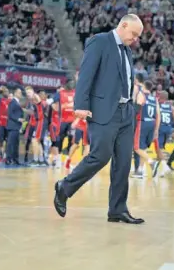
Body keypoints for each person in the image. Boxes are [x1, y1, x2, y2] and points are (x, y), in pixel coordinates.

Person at [53, 14, 145, 225]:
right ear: (123, 25)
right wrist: (80, 105)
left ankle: (117, 210)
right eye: (134, 34)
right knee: (100, 156)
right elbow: (86, 74)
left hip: (125, 112)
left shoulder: (127, 51)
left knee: (123, 163)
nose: (136, 39)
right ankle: (64, 187)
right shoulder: (100, 41)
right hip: (103, 110)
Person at [132, 80, 160, 179]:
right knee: (143, 148)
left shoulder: (141, 94)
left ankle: (152, 162)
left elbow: (137, 108)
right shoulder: (154, 99)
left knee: (136, 147)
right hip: (151, 123)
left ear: (144, 86)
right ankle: (140, 170)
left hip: (142, 123)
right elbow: (158, 115)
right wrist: (156, 129)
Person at [152, 92, 174, 177]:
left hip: (160, 128)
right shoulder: (172, 108)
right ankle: (158, 170)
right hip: (168, 129)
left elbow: (155, 118)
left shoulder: (157, 106)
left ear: (161, 97)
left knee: (158, 149)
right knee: (160, 149)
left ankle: (165, 166)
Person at [6, 88, 24, 165]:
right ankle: (8, 159)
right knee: (10, 143)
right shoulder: (13, 102)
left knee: (16, 144)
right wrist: (18, 119)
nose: (21, 94)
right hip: (12, 126)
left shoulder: (17, 102)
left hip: (17, 127)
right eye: (19, 93)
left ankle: (15, 159)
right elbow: (10, 114)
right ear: (15, 93)